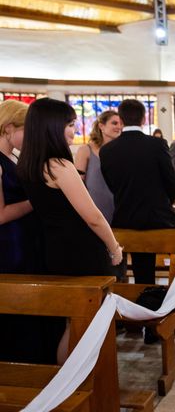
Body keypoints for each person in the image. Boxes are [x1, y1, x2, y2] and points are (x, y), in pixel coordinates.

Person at [17, 98, 123, 363]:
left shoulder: (28, 164)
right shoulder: (58, 166)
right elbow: (93, 217)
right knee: (86, 321)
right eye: (70, 124)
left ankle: (73, 381)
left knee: (73, 320)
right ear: (52, 126)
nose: (74, 129)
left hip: (55, 247)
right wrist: (114, 247)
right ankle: (74, 382)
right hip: (81, 250)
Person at [100, 99, 175, 286]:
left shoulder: (107, 151)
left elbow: (112, 185)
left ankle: (139, 298)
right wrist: (161, 202)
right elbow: (173, 183)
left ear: (120, 120)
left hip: (125, 217)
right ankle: (172, 299)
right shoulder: (157, 144)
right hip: (159, 217)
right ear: (144, 119)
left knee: (138, 265)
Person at [0, 100, 37, 273]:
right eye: (27, 131)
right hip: (10, 241)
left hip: (26, 233)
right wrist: (36, 201)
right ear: (8, 128)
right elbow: (1, 215)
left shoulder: (15, 155)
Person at [75, 111, 121, 224]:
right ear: (101, 126)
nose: (119, 127)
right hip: (94, 209)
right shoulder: (85, 150)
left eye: (121, 123)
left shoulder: (122, 151)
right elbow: (78, 185)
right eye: (114, 123)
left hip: (119, 208)